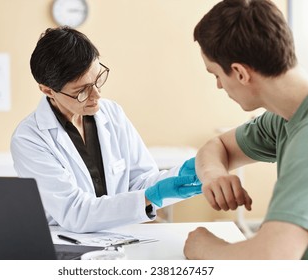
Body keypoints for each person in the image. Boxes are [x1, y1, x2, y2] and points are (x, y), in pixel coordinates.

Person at [11, 26, 201, 233]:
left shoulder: (111, 113)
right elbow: (75, 212)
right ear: (48, 90)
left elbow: (141, 183)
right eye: (81, 91)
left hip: (120, 235)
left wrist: (177, 177)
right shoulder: (29, 139)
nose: (97, 95)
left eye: (97, 79)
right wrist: (150, 196)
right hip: (68, 244)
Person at [184, 0, 308, 259]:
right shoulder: (287, 115)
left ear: (240, 73)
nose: (219, 86)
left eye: (216, 74)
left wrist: (202, 247)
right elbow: (216, 146)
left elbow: (272, 258)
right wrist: (215, 175)